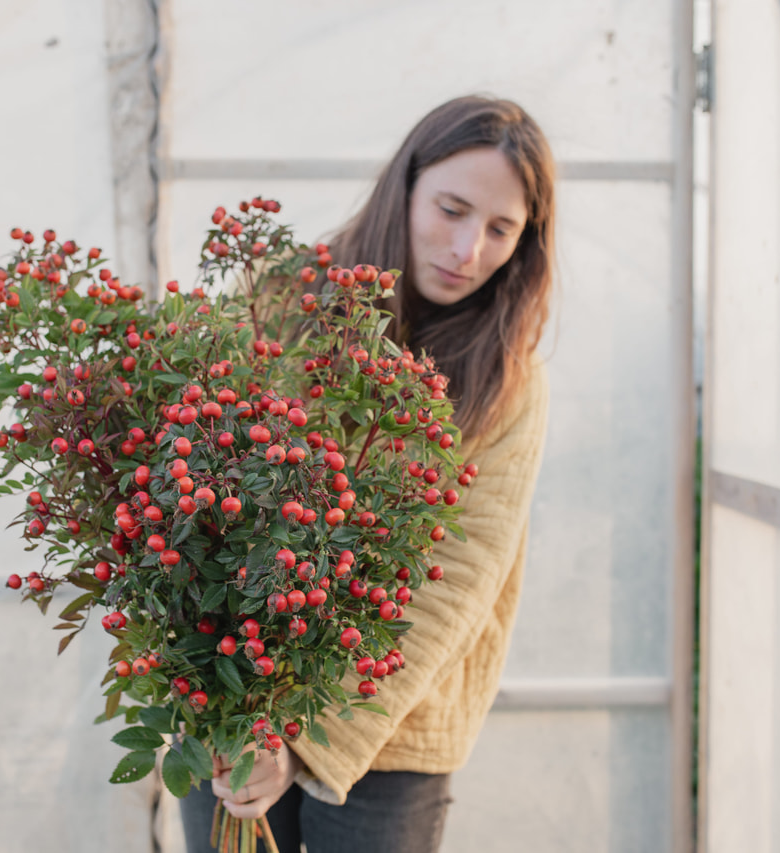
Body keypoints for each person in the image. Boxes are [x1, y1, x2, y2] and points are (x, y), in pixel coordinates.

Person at [180, 94, 556, 853]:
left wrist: (309, 742)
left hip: (396, 728)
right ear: (405, 185)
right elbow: (200, 485)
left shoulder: (507, 378)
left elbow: (457, 573)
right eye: (451, 208)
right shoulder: (284, 303)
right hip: (239, 691)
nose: (467, 249)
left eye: (500, 229)